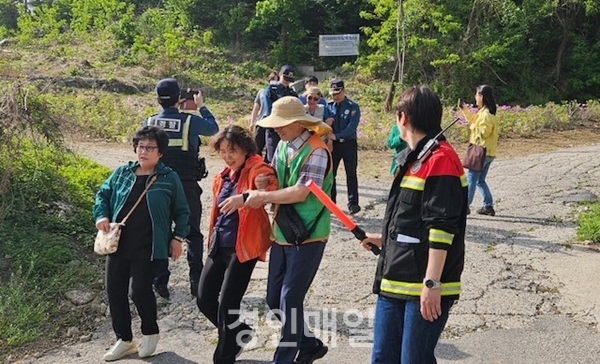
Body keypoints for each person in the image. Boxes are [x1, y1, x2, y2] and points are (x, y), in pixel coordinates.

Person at [359, 85, 467, 364]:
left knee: (413, 360)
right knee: (382, 358)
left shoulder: (441, 159)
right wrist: (384, 238)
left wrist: (432, 284)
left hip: (423, 285)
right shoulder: (414, 157)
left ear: (402, 117)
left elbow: (441, 227)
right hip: (394, 278)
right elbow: (411, 219)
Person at [245, 96, 333, 364]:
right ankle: (309, 346)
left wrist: (264, 197)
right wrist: (265, 180)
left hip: (309, 234)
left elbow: (301, 191)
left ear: (299, 123)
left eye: (281, 124)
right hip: (284, 232)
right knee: (274, 300)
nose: (276, 130)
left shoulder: (317, 150)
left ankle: (283, 358)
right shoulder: (284, 146)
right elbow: (278, 177)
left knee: (290, 301)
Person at [93, 126, 190, 361]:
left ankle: (150, 332)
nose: (143, 151)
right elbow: (102, 195)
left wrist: (177, 238)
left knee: (138, 291)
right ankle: (124, 340)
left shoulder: (169, 178)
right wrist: (101, 216)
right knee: (114, 291)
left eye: (150, 148)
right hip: (119, 244)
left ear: (161, 153)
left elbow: (183, 211)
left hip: (149, 245)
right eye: (140, 146)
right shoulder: (122, 173)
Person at [196, 125, 278, 364]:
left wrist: (249, 194)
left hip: (243, 248)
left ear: (245, 149)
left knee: (227, 304)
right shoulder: (223, 175)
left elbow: (270, 186)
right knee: (204, 299)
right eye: (222, 151)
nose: (227, 156)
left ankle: (224, 356)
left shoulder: (256, 168)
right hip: (219, 243)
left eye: (232, 150)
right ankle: (240, 333)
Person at [144, 78, 219, 300]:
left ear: (157, 99)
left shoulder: (149, 122)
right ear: (179, 99)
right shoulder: (190, 121)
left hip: (158, 184)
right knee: (192, 232)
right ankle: (196, 283)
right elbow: (213, 128)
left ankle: (160, 282)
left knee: (160, 230)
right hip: (186, 185)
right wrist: (202, 105)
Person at [459, 84, 499, 216]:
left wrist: (471, 126)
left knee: (471, 179)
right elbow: (474, 122)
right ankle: (488, 206)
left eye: (476, 94)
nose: (475, 97)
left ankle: (464, 206)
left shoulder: (486, 114)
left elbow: (484, 132)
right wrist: (465, 110)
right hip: (487, 153)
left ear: (481, 96)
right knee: (480, 180)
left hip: (481, 152)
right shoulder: (484, 112)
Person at [325, 78, 362, 214]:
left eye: (337, 93)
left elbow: (352, 127)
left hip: (349, 144)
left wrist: (337, 136)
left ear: (343, 91)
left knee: (351, 173)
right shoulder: (329, 106)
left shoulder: (353, 106)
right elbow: (326, 125)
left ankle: (353, 203)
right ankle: (331, 202)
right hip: (333, 145)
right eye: (333, 94)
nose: (335, 96)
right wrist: (330, 139)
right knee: (331, 174)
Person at [260, 65, 299, 164]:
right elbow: (269, 111)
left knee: (287, 159)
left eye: (289, 79)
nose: (287, 81)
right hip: (274, 129)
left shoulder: (292, 93)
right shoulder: (271, 90)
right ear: (280, 75)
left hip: (289, 129)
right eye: (285, 78)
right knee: (273, 158)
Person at [250, 70, 279, 157]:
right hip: (261, 122)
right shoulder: (262, 92)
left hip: (274, 123)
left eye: (276, 79)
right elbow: (256, 107)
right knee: (257, 146)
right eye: (273, 79)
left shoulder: (280, 93)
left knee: (270, 149)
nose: (274, 81)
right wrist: (252, 122)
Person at [304, 86, 333, 151]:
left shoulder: (323, 109)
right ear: (306, 97)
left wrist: (330, 142)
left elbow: (329, 127)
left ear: (319, 99)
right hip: (305, 143)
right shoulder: (301, 110)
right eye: (310, 98)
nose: (312, 101)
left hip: (321, 142)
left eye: (315, 99)